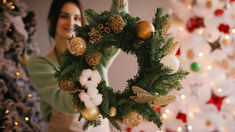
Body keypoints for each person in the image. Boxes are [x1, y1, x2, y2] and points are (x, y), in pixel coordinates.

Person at [27, 0, 128, 132]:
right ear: (52, 20)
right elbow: (60, 99)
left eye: (76, 18)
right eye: (64, 16)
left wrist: (120, 2)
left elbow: (116, 32)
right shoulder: (39, 64)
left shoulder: (94, 56)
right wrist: (91, 97)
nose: (70, 22)